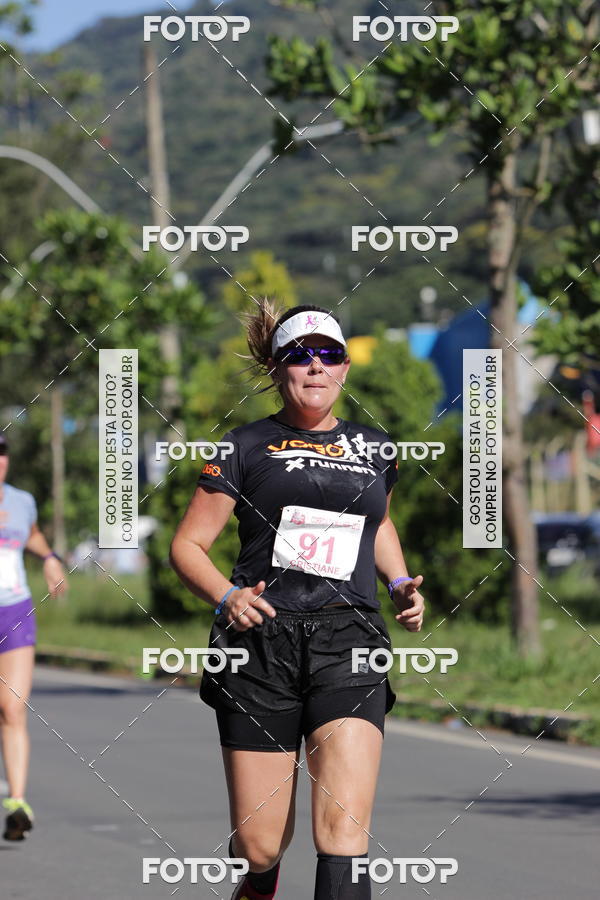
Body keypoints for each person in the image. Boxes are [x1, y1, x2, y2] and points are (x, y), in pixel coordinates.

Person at [170, 301, 425, 900]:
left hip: (349, 640)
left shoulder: (374, 447)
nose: (315, 367)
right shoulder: (243, 446)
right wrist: (227, 595)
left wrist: (399, 583)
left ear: (345, 368)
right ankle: (258, 882)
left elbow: (378, 524)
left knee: (343, 830)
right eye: (299, 355)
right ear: (277, 367)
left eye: (329, 354)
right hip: (261, 644)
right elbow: (188, 545)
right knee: (261, 843)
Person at [0, 433, 67, 840]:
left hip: (14, 611)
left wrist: (49, 558)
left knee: (12, 708)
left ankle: (17, 803)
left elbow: (31, 533)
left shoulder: (21, 500)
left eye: (2, 454)